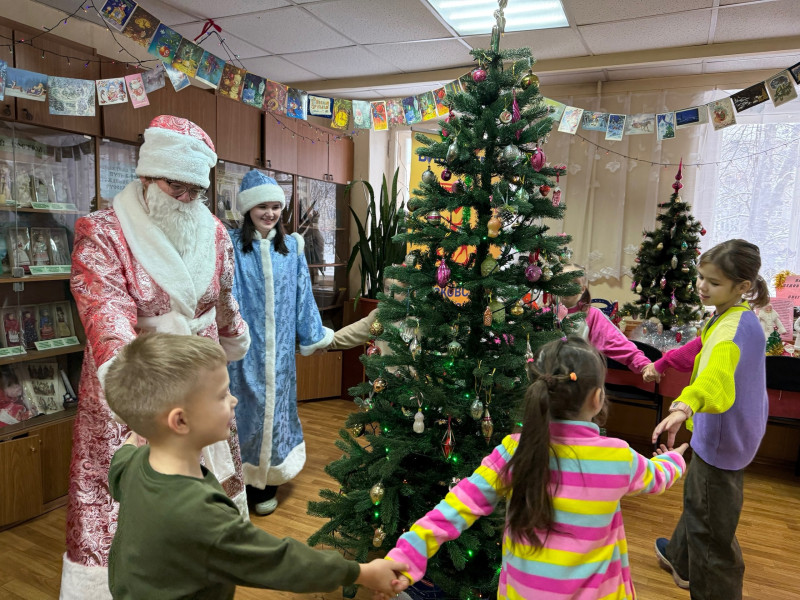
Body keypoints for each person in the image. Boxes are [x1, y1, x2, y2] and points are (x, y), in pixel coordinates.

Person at [61, 115, 251, 599]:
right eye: (175, 186)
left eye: (195, 189)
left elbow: (225, 300)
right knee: (130, 505)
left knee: (205, 503)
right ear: (146, 176)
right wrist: (142, 398)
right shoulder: (102, 231)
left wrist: (231, 336)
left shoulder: (214, 232)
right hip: (132, 389)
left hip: (203, 386)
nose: (186, 198)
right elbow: (106, 318)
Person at [104, 332, 408, 600]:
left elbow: (121, 458)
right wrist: (363, 573)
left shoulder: (136, 465)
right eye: (222, 395)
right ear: (180, 421)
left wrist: (139, 422)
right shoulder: (198, 514)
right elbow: (280, 562)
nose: (233, 400)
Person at [384, 336, 687, 600]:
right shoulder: (617, 457)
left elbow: (458, 505)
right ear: (597, 398)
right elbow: (657, 477)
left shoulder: (514, 450)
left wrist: (408, 554)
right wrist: (675, 458)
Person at [643, 239, 769, 599]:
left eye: (713, 282)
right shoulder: (727, 315)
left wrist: (683, 406)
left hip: (722, 438)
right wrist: (663, 364)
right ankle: (682, 560)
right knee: (700, 498)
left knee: (712, 530)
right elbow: (699, 345)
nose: (702, 286)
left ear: (743, 286)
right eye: (701, 277)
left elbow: (715, 375)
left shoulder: (732, 331)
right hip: (722, 431)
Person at [228, 170, 332, 516]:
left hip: (281, 353)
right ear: (248, 209)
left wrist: (312, 335)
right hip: (243, 351)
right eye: (262, 207)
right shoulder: (230, 246)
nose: (269, 213)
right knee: (243, 412)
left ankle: (267, 484)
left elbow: (304, 294)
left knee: (277, 414)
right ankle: (239, 482)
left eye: (275, 207)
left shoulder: (291, 249)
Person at [561, 264, 653, 374]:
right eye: (563, 280)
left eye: (575, 283)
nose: (567, 286)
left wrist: (644, 365)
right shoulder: (544, 313)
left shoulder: (592, 315)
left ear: (582, 289)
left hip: (579, 380)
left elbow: (618, 343)